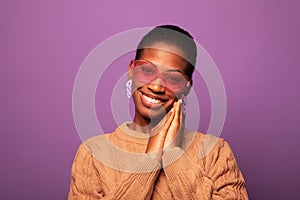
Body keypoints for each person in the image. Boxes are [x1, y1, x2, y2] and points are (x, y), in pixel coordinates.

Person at [68, 25, 248, 199]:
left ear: (186, 87)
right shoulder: (92, 153)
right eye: (147, 70)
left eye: (173, 78)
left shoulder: (215, 151)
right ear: (131, 70)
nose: (156, 86)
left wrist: (172, 154)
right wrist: (151, 158)